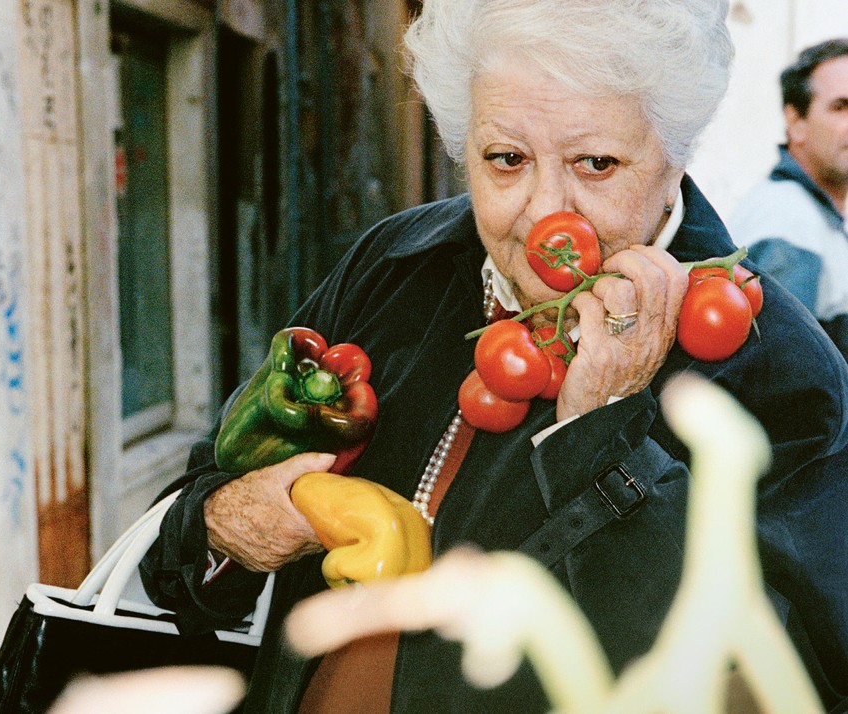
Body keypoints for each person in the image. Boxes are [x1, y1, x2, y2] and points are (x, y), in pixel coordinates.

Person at [141, 1, 848, 712]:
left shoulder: (776, 369)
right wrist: (231, 529)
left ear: (675, 155)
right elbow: (177, 544)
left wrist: (600, 435)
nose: (544, 212)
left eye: (594, 163)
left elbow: (771, 684)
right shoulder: (392, 266)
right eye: (505, 159)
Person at [729, 38, 848, 359]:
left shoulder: (818, 216)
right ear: (796, 123)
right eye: (841, 107)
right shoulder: (787, 221)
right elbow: (783, 377)